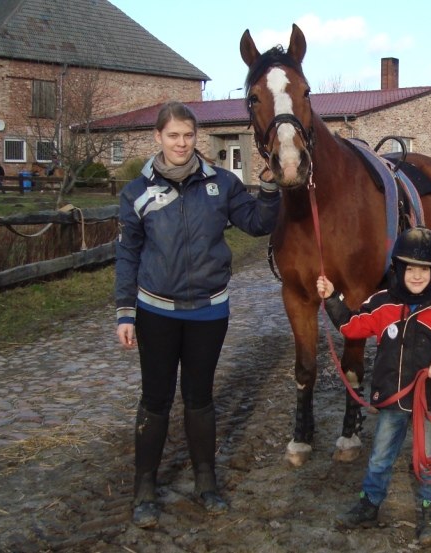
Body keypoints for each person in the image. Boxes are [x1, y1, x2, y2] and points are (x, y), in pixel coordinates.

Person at [114, 101, 280, 529]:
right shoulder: (136, 193)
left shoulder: (221, 184)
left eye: (188, 135)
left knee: (200, 398)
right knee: (155, 400)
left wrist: (270, 189)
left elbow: (258, 224)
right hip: (156, 312)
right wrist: (124, 312)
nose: (181, 144)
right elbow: (128, 255)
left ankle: (206, 482)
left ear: (196, 137)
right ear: (158, 138)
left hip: (209, 312)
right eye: (173, 136)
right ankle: (145, 488)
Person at [316, 227, 431, 546]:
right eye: (409, 268)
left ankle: (430, 510)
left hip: (426, 402)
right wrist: (332, 298)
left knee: (429, 460)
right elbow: (351, 326)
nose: (416, 275)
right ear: (398, 268)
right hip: (391, 400)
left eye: (423, 269)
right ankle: (370, 503)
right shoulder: (382, 303)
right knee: (380, 457)